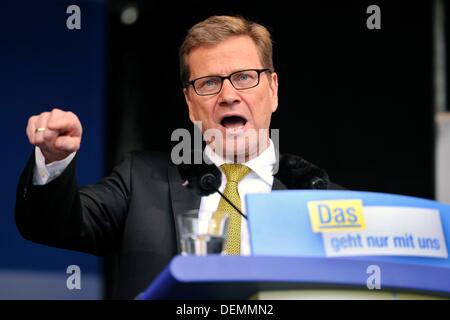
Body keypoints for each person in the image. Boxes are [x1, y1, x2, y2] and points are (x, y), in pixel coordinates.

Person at [15, 15, 342, 299]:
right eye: (209, 83)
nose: (228, 96)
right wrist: (53, 158)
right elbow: (51, 225)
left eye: (244, 77)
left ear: (272, 90)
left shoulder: (325, 203)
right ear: (189, 102)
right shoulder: (139, 180)